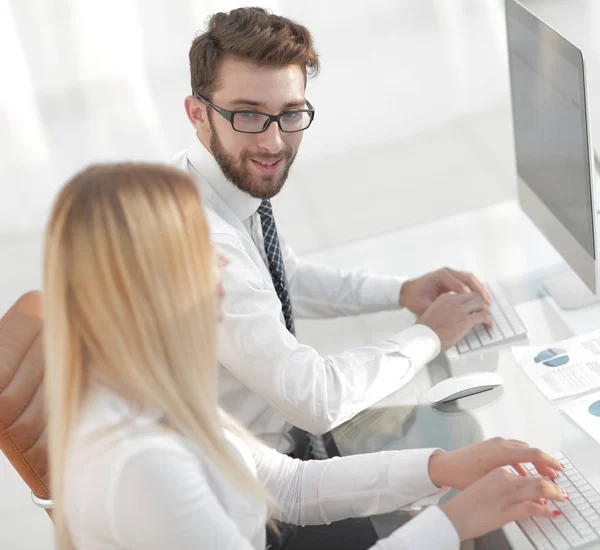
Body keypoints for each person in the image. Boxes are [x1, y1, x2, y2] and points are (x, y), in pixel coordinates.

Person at [44, 162, 568, 550]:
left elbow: (291, 486)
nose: (223, 264)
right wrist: (454, 523)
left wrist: (442, 467)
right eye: (199, 252)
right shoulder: (144, 464)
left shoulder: (149, 394)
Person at [173, 7, 494, 458]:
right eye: (247, 115)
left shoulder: (216, 184)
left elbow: (282, 278)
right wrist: (430, 334)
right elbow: (316, 400)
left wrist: (402, 291)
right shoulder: (201, 245)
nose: (273, 142)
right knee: (464, 447)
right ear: (197, 114)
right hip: (260, 487)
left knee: (456, 431)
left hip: (283, 442)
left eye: (290, 113)